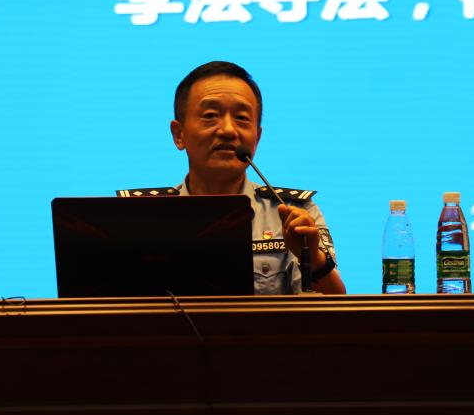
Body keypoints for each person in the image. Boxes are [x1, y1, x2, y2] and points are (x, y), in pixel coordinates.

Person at [118, 61, 345, 295]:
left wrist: (313, 258)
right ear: (179, 134)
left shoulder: (293, 213)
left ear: (257, 138)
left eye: (242, 118)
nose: (228, 130)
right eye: (210, 115)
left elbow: (337, 308)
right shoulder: (139, 216)